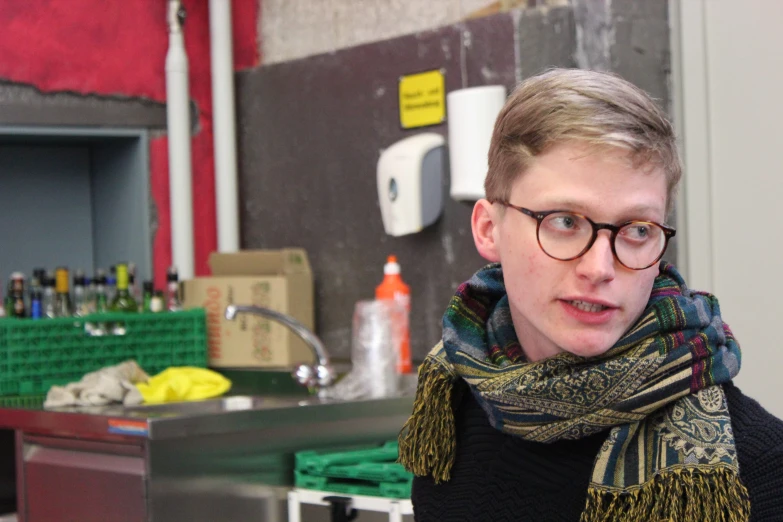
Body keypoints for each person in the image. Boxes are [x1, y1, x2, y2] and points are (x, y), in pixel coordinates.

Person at [398, 68, 783, 522]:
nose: (600, 268)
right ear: (488, 228)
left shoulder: (758, 469)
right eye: (564, 221)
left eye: (637, 230)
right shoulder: (452, 409)